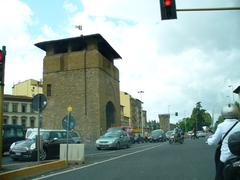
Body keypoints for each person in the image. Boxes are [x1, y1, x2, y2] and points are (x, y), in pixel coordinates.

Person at [207, 104, 240, 180]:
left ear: (223, 113)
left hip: (226, 158)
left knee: (219, 177)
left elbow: (213, 142)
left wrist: (208, 140)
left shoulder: (221, 126)